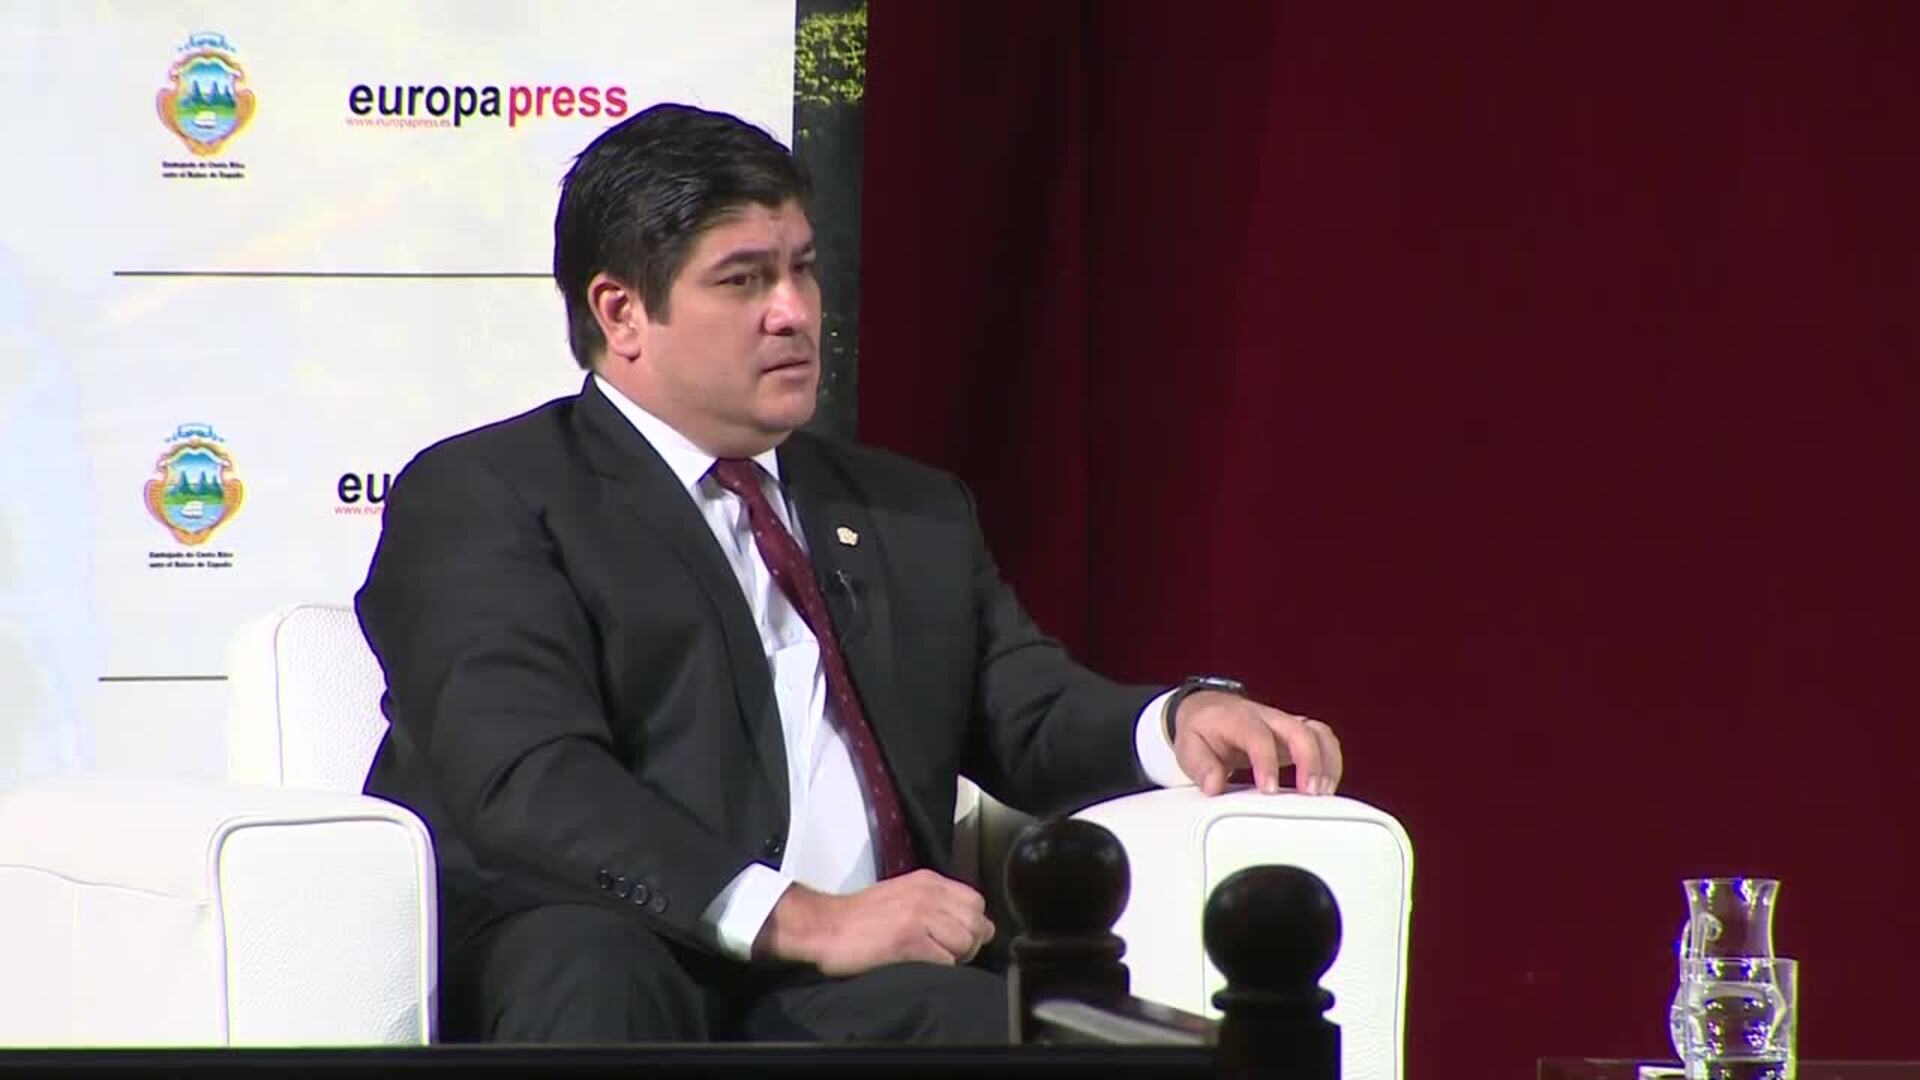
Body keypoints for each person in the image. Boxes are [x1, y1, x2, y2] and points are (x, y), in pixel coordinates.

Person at [355, 102, 1344, 1045]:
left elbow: (1026, 712)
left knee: (1023, 1031)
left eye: (802, 269)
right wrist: (801, 917)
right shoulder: (489, 495)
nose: (793, 312)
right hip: (614, 953)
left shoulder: (907, 510)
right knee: (595, 970)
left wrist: (1174, 722)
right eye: (743, 281)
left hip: (848, 986)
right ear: (621, 313)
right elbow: (530, 777)